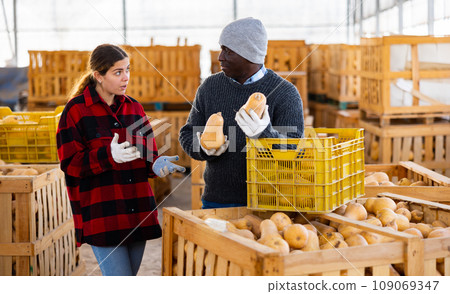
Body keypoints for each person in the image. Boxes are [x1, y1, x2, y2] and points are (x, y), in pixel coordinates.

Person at [56, 44, 185, 276]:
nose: (126, 77)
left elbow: (149, 154)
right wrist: (108, 156)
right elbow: (70, 164)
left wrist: (155, 165)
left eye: (128, 70)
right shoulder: (75, 111)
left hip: (138, 209)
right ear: (98, 75)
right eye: (118, 72)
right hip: (104, 213)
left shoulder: (133, 107)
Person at [179, 17, 304, 209]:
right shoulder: (210, 87)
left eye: (228, 51)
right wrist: (204, 148)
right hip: (217, 200)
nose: (220, 57)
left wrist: (264, 133)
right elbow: (187, 133)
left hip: (271, 202)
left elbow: (294, 149)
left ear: (250, 54)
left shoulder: (285, 93)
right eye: (221, 49)